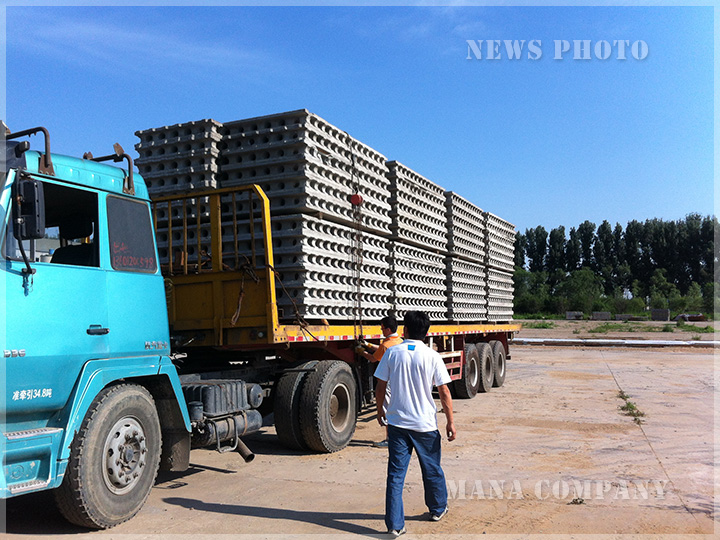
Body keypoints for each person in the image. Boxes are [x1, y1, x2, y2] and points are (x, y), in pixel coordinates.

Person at [374, 310, 456, 537]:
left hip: (398, 424)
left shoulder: (392, 353)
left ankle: (395, 525)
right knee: (432, 470)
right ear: (426, 332)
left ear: (405, 329)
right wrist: (450, 421)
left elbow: (380, 386)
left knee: (395, 475)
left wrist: (380, 410)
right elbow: (444, 391)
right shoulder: (432, 356)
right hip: (425, 425)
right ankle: (437, 509)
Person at [359, 315, 403, 448]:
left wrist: (361, 352)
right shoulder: (400, 341)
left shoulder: (386, 345)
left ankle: (390, 439)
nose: (381, 330)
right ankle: (398, 438)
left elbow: (373, 358)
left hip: (388, 382)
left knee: (387, 409)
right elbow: (381, 349)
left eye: (382, 328)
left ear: (388, 329)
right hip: (398, 381)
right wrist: (367, 344)